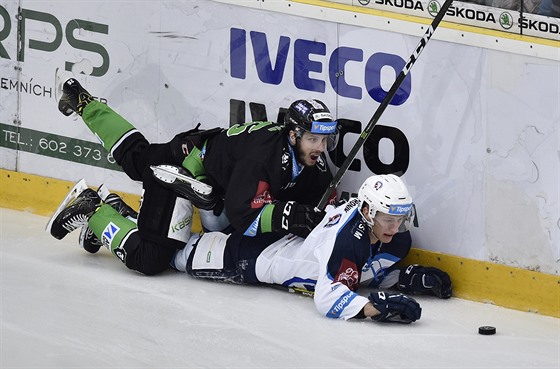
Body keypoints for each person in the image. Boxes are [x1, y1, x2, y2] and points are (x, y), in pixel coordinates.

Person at [46, 76, 338, 275]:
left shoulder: (309, 161)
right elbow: (243, 217)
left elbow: (318, 203)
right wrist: (288, 215)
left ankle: (84, 104)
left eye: (324, 140)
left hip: (204, 161)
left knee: (137, 159)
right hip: (183, 175)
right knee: (150, 258)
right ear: (293, 135)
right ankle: (92, 209)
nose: (320, 148)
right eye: (313, 139)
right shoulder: (263, 158)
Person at [171, 174, 452, 323]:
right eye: (388, 220)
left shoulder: (391, 237)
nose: (395, 228)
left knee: (196, 241)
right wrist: (372, 308)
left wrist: (402, 278)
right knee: (175, 256)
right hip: (253, 259)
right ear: (367, 211)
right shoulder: (349, 239)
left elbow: (360, 269)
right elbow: (326, 297)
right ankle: (145, 215)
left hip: (279, 245)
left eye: (400, 219)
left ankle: (209, 213)